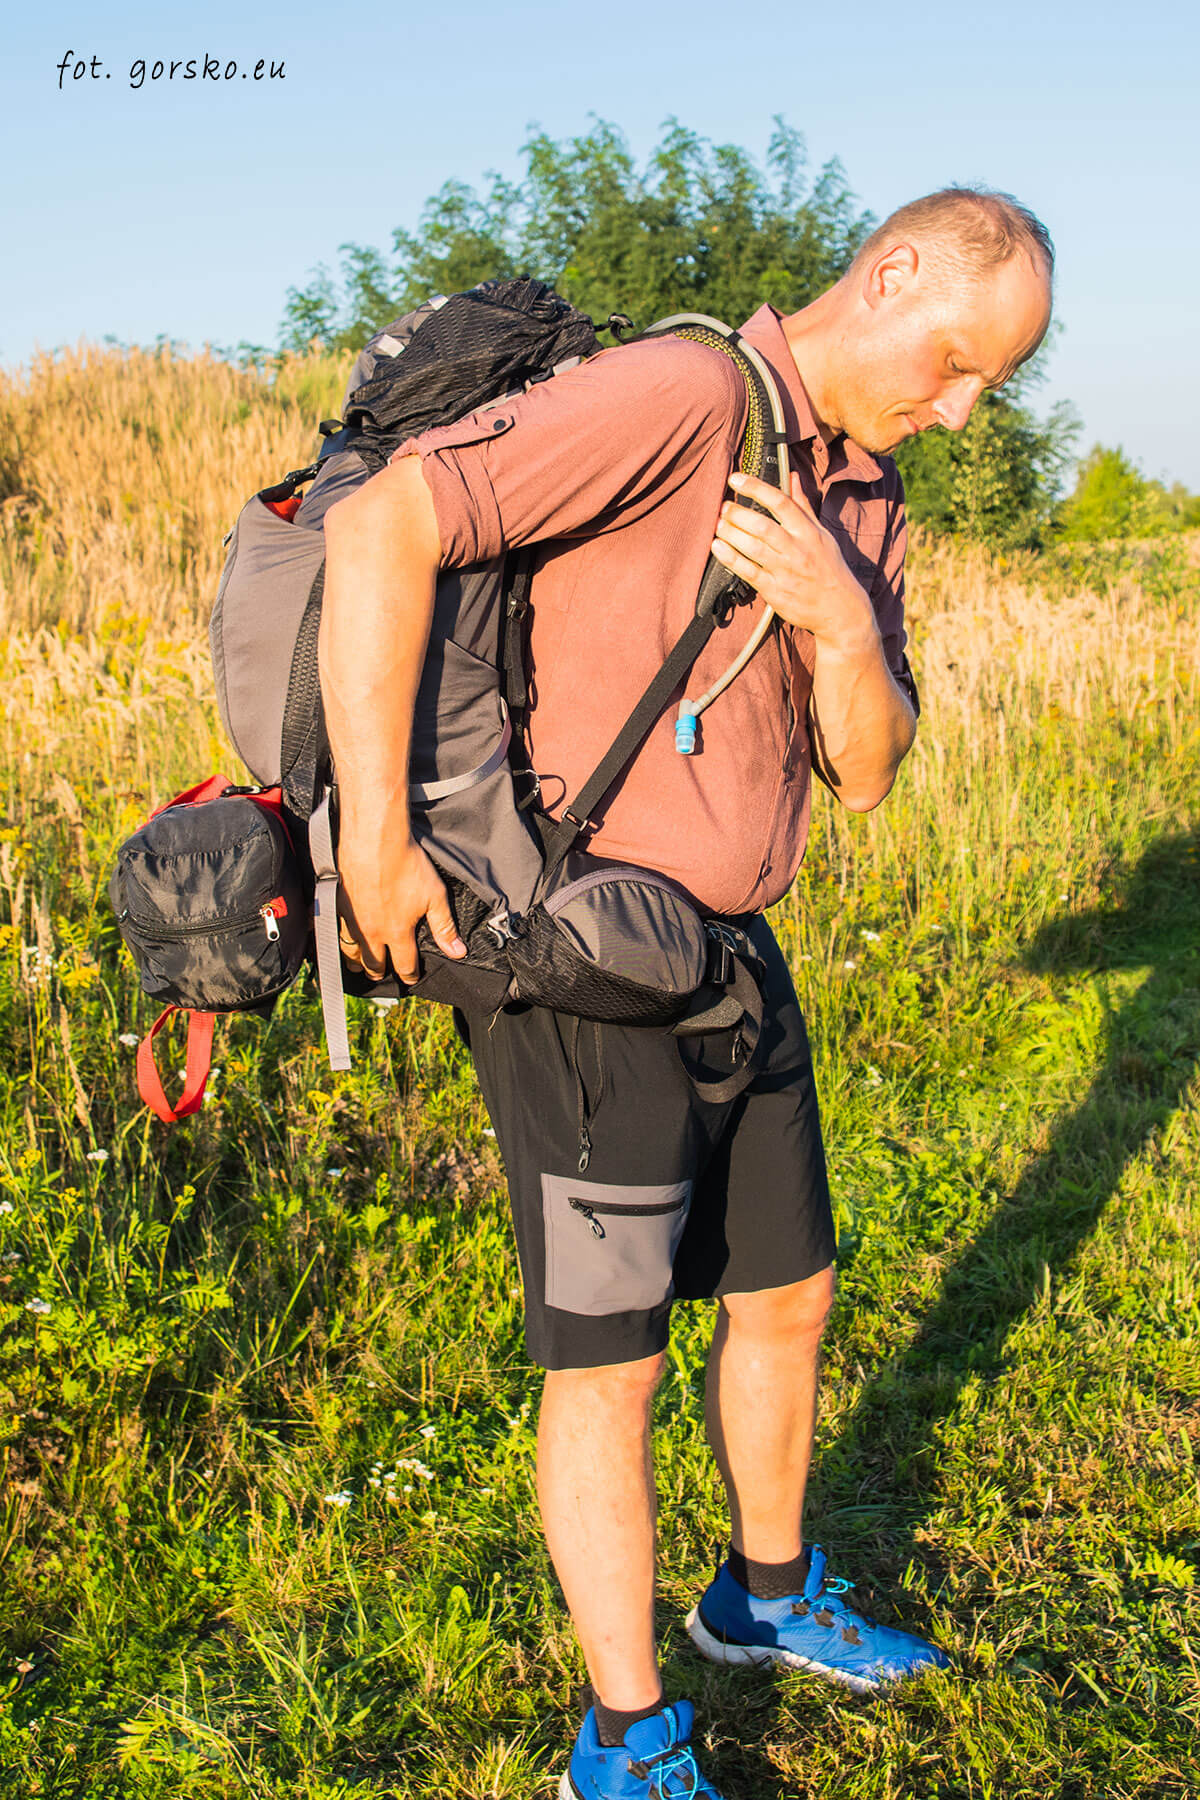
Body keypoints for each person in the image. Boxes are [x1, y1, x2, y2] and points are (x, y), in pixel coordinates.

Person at [320, 186, 1054, 1799]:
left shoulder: (859, 497)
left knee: (787, 1294)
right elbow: (387, 525)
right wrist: (375, 835)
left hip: (733, 954)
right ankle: (626, 1738)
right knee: (613, 1368)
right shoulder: (687, 393)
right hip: (582, 965)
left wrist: (841, 618)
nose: (960, 406)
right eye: (954, 363)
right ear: (898, 271)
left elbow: (865, 778)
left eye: (990, 384)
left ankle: (764, 1600)